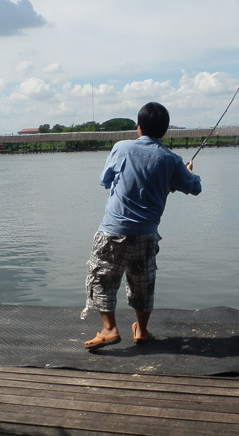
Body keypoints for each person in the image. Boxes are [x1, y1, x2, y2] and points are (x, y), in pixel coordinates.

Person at [82, 101, 202, 349]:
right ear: (165, 131)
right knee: (143, 283)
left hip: (113, 231)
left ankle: (109, 329)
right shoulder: (171, 160)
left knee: (102, 279)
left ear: (138, 127)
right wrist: (188, 173)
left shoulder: (121, 148)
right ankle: (142, 330)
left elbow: (105, 181)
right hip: (146, 235)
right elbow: (194, 188)